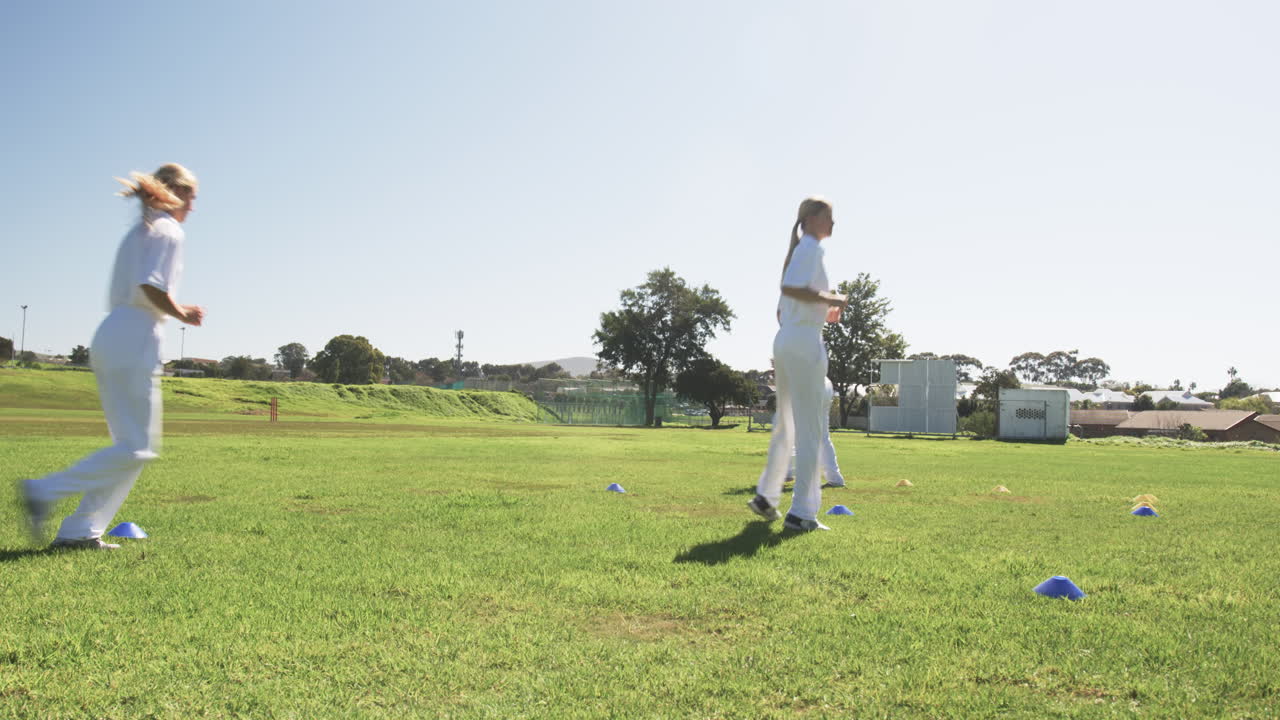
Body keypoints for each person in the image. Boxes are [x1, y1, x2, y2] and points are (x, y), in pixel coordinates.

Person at [18, 164, 205, 550]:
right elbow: (151, 285)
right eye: (193, 197)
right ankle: (44, 491)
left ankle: (80, 532)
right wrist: (183, 312)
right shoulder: (169, 230)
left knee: (130, 450)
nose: (194, 207)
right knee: (136, 447)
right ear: (176, 194)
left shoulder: (140, 232)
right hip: (136, 333)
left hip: (113, 333)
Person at [748, 197, 846, 531]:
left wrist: (817, 309)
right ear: (815, 218)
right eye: (830, 217)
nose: (834, 224)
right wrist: (831, 299)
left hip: (787, 339)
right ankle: (802, 513)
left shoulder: (797, 255)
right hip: (804, 343)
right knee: (810, 432)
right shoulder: (811, 248)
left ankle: (766, 494)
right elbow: (791, 289)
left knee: (788, 424)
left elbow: (782, 308)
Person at [785, 377, 845, 488]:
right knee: (822, 437)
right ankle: (835, 479)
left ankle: (790, 472)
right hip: (824, 383)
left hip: (808, 383)